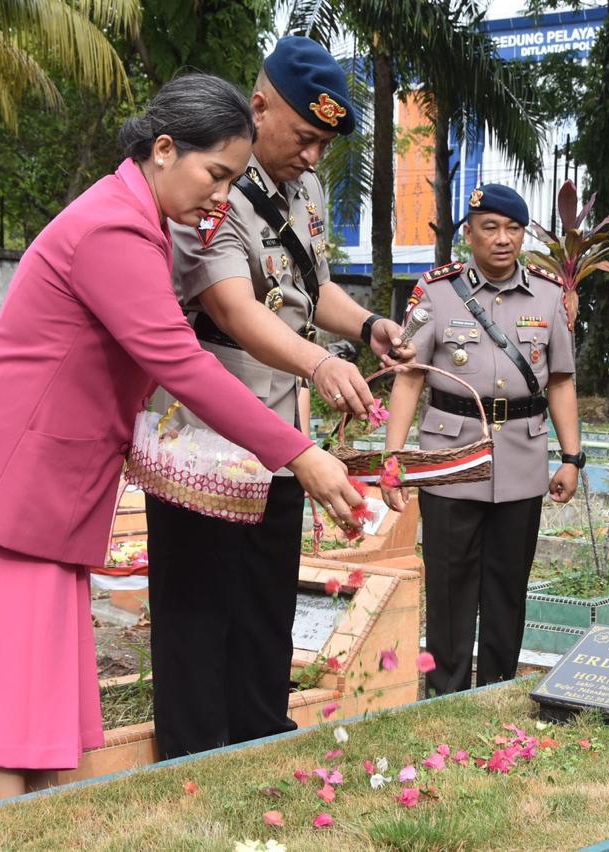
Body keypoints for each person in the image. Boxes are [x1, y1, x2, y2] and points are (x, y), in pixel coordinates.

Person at [0, 74, 364, 804]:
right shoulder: (113, 229)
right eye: (215, 175)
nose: (222, 196)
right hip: (3, 477)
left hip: (47, 484)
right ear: (161, 150)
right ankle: (18, 832)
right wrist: (299, 452)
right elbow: (179, 362)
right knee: (0, 700)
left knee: (42, 691)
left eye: (233, 180)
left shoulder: (144, 220)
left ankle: (43, 822)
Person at [145, 37, 413, 760]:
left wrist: (369, 326)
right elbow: (233, 307)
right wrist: (322, 363)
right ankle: (192, 756)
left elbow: (304, 289)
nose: (313, 157)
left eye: (324, 144)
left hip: (277, 431)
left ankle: (260, 738)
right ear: (259, 106)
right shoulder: (213, 187)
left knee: (265, 597)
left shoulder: (305, 192)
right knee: (199, 604)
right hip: (205, 428)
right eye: (304, 137)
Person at [380, 184, 582, 695]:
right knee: (448, 588)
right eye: (489, 228)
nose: (502, 239)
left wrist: (572, 457)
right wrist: (393, 455)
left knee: (507, 588)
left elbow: (560, 379)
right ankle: (444, 696)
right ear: (468, 234)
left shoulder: (547, 293)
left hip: (521, 459)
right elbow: (409, 376)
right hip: (450, 459)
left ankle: (496, 691)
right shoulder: (436, 292)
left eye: (513, 228)